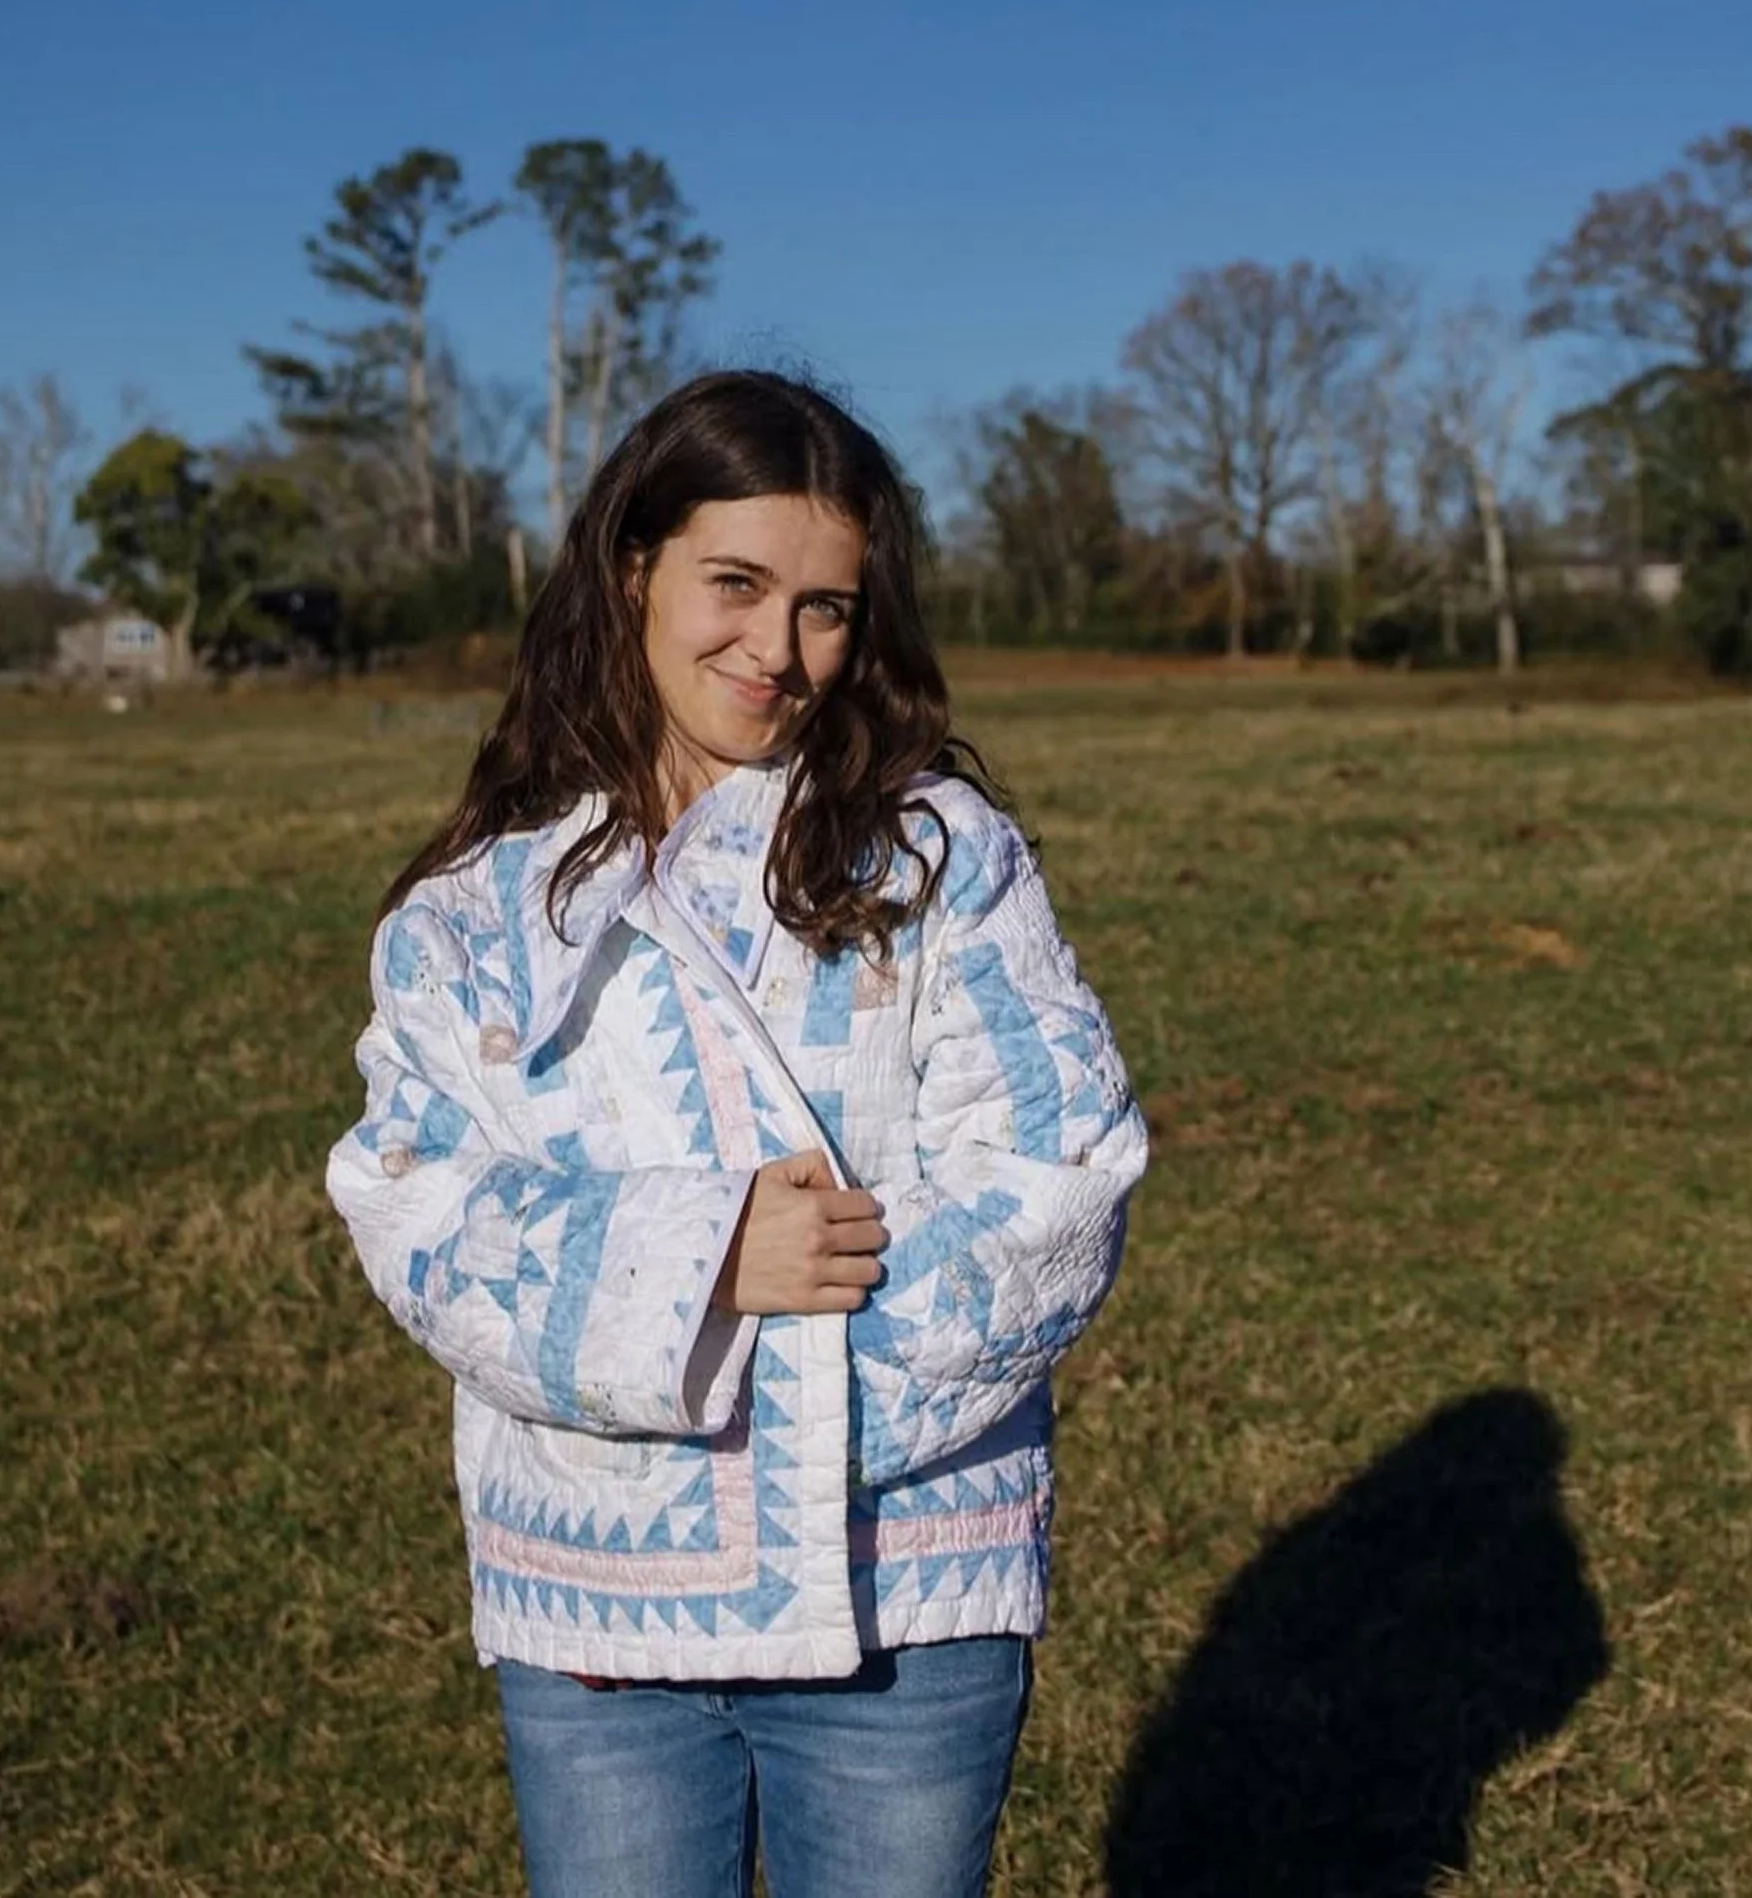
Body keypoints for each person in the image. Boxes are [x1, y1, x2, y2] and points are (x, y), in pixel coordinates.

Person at [326, 371, 1149, 1898]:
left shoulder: (941, 861)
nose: (777, 651)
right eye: (737, 584)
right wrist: (707, 1256)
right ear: (631, 566)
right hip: (597, 1607)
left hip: (900, 1590)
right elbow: (419, 1211)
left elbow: (1063, 1172)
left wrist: (807, 1402)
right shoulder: (472, 916)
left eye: (827, 607)